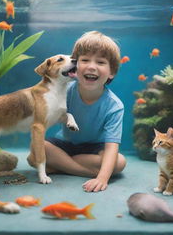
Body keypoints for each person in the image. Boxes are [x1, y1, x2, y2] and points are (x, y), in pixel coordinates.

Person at [46, 31, 126, 192]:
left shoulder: (115, 106)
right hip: (66, 144)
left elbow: (111, 147)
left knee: (120, 162)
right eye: (85, 60)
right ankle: (81, 170)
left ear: (112, 72)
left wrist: (102, 179)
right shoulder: (64, 91)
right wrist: (95, 174)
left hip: (95, 149)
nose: (91, 66)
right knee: (38, 148)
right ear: (74, 66)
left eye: (101, 62)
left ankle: (61, 165)